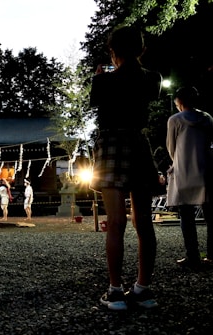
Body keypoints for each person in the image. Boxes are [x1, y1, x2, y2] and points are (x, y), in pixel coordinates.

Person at [89, 25, 163, 310]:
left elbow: (99, 104)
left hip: (110, 145)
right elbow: (146, 95)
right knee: (143, 222)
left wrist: (101, 78)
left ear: (112, 51)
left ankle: (116, 290)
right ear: (142, 50)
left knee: (116, 222)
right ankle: (143, 289)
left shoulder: (103, 81)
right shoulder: (153, 79)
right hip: (138, 143)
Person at [166, 86, 213, 270]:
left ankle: (192, 256)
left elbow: (171, 147)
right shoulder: (207, 118)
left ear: (180, 102)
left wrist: (178, 160)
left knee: (186, 215)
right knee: (210, 215)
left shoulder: (175, 120)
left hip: (184, 171)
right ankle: (211, 256)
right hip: (206, 169)